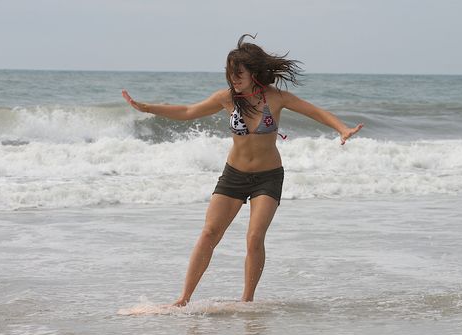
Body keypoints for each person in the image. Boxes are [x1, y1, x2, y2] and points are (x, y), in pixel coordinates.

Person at [122, 34, 363, 307]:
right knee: (210, 233)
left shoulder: (276, 97)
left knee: (254, 237)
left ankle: (247, 301)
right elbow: (189, 110)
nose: (233, 78)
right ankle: (183, 299)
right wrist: (147, 108)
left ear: (253, 72)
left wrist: (342, 129)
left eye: (239, 72)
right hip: (233, 175)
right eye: (230, 73)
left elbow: (315, 111)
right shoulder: (227, 98)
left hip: (268, 178)